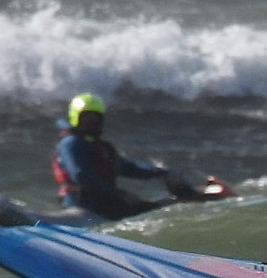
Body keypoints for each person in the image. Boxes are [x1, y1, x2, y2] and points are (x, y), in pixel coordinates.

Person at [52, 93, 200, 220]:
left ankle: (189, 198)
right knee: (153, 208)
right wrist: (120, 194)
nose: (93, 122)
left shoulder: (100, 147)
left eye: (96, 118)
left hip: (103, 204)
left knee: (155, 207)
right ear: (75, 117)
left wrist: (161, 173)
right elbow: (80, 174)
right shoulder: (71, 143)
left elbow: (127, 167)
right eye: (87, 118)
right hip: (82, 204)